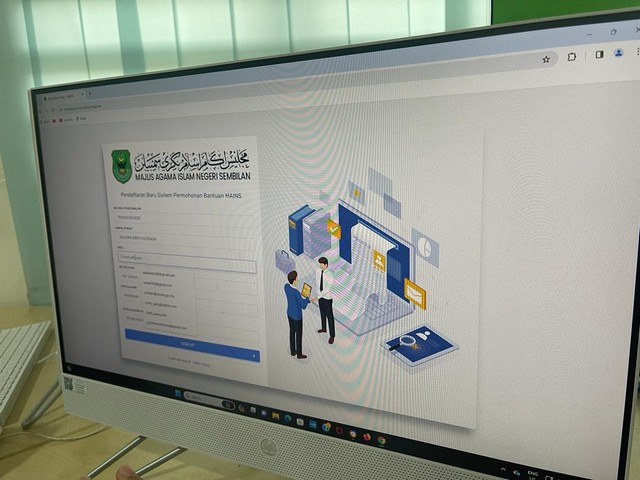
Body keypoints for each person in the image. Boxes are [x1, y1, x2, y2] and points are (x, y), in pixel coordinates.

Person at [284, 270, 310, 359]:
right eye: (297, 278)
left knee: (292, 332)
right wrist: (307, 298)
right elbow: (303, 306)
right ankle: (299, 354)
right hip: (297, 317)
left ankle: (292, 351)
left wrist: (306, 300)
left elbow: (296, 301)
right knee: (298, 335)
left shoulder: (286, 287)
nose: (298, 279)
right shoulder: (296, 292)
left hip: (289, 313)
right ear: (294, 280)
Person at [315, 256, 336, 344]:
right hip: (320, 296)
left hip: (327, 298)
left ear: (326, 265)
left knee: (329, 316)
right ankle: (324, 328)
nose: (320, 266)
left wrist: (320, 295)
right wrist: (318, 293)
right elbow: (317, 282)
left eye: (321, 265)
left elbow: (328, 288)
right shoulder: (318, 271)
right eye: (319, 264)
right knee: (322, 313)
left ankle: (332, 335)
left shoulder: (330, 275)